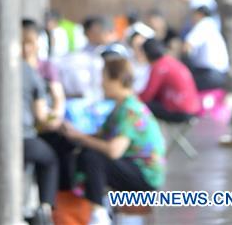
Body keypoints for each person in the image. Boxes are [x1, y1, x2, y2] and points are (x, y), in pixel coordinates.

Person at [54, 57, 165, 225]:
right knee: (83, 151)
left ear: (117, 80)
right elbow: (99, 136)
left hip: (144, 178)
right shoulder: (119, 108)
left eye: (104, 78)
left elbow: (114, 150)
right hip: (130, 167)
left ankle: (98, 213)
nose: (101, 84)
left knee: (93, 158)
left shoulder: (131, 110)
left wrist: (79, 137)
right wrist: (73, 134)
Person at [22, 24, 60, 223]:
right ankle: (44, 209)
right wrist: (58, 119)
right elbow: (43, 117)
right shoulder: (31, 73)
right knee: (50, 159)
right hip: (23, 139)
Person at [139, 38, 200, 121]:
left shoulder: (159, 67)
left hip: (180, 111)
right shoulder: (169, 61)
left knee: (142, 106)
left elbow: (147, 96)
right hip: (192, 108)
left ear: (146, 54)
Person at [23, 19, 66, 123]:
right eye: (21, 42)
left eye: (30, 42)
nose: (25, 48)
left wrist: (51, 120)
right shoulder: (12, 69)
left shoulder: (47, 67)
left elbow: (58, 99)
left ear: (39, 41)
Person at [182, 4, 229, 91]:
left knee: (182, 83)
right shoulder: (211, 26)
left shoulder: (204, 25)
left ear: (199, 15)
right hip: (217, 74)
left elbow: (187, 46)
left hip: (209, 74)